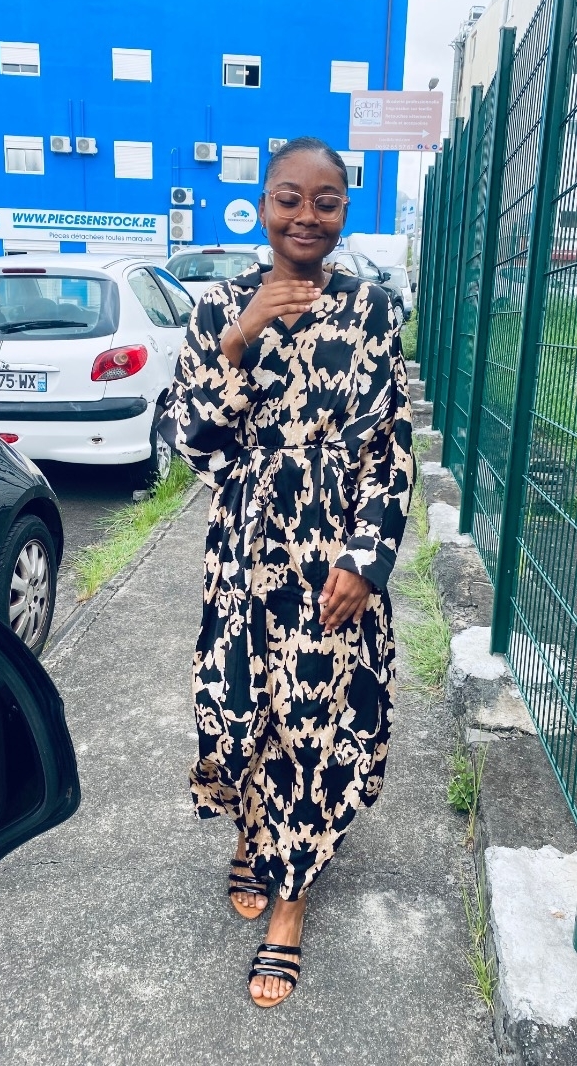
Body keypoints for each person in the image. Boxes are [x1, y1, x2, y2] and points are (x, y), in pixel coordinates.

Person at [159, 136, 414, 1007]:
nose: (306, 216)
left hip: (332, 554)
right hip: (245, 549)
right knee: (239, 709)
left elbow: (390, 448)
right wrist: (241, 337)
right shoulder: (217, 307)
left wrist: (366, 558)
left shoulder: (374, 310)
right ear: (262, 206)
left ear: (344, 210)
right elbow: (194, 441)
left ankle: (290, 902)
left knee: (313, 724)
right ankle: (249, 829)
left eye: (326, 201)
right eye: (289, 198)